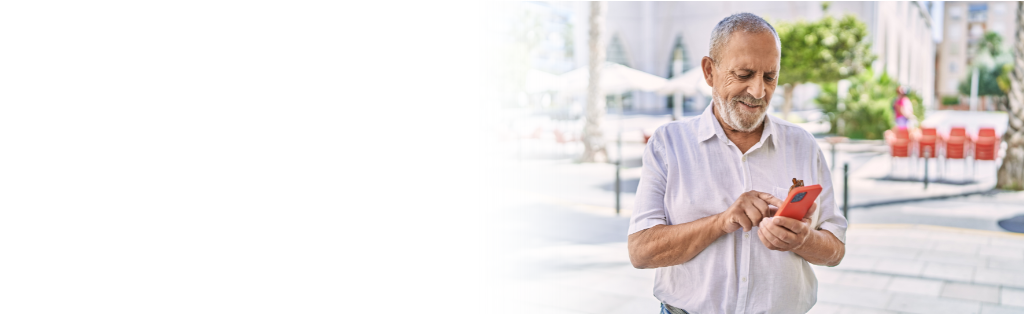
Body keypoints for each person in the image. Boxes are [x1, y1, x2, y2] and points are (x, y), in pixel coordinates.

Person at [626, 13, 848, 314]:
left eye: (770, 77)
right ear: (709, 71)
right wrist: (722, 222)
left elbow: (835, 250)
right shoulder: (668, 144)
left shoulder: (803, 144)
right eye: (743, 75)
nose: (759, 92)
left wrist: (803, 239)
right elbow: (641, 252)